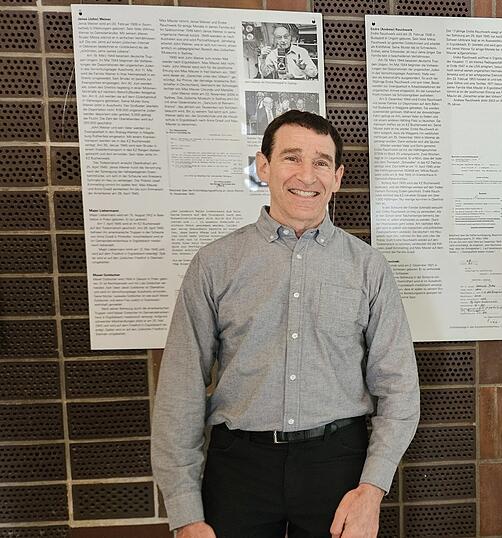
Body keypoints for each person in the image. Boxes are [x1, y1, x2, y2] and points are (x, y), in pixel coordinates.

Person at [152, 111, 420, 538]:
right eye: (292, 157)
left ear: (337, 177)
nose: (306, 175)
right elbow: (179, 391)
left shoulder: (369, 268)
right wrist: (185, 513)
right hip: (239, 469)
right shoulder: (214, 264)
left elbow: (399, 388)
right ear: (264, 166)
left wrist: (372, 489)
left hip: (338, 466)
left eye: (321, 163)